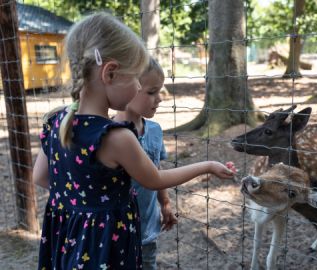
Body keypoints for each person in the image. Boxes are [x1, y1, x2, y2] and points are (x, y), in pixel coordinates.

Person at [32, 12, 234, 270]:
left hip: (67, 239)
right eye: (136, 77)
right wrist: (207, 166)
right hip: (105, 247)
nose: (139, 87)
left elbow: (40, 177)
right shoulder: (117, 137)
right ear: (110, 73)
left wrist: (82, 199)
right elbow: (156, 180)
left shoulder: (57, 121)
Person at [113, 57, 176, 270]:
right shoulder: (108, 133)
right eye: (151, 92)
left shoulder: (155, 131)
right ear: (129, 88)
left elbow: (156, 169)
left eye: (159, 91)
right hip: (115, 232)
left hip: (147, 230)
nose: (159, 99)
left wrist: (165, 203)